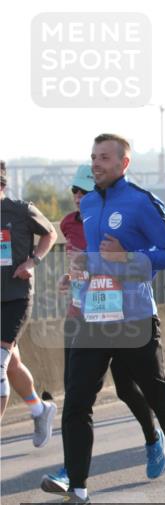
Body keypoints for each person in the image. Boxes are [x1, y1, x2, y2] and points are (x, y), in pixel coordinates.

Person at [52, 133, 165, 505]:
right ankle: (79, 494)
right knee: (77, 401)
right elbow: (98, 254)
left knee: (155, 391)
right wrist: (82, 269)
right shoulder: (89, 204)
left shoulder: (140, 202)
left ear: (123, 163)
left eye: (103, 157)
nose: (96, 163)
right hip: (93, 316)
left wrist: (127, 256)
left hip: (133, 317)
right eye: (93, 157)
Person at [41, 165, 165, 493]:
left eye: (85, 191)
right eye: (75, 190)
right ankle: (71, 472)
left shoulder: (121, 218)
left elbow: (151, 255)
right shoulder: (71, 223)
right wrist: (72, 278)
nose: (79, 196)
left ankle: (154, 438)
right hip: (81, 316)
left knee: (127, 388)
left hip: (122, 318)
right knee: (77, 398)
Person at [0, 160, 59, 445]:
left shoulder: (20, 210)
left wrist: (32, 261)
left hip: (16, 297)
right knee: (12, 364)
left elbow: (50, 233)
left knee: (0, 363)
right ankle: (40, 409)